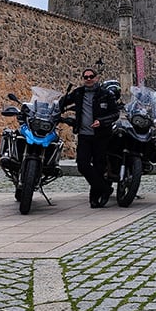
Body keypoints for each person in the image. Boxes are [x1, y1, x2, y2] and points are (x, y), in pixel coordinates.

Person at [60, 68, 120, 208]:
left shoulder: (106, 94)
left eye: (91, 76)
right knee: (82, 164)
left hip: (101, 136)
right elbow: (64, 102)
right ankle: (105, 189)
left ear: (96, 78)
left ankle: (94, 198)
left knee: (99, 166)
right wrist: (59, 105)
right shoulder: (79, 92)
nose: (88, 79)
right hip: (84, 135)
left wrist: (102, 121)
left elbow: (115, 114)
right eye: (85, 77)